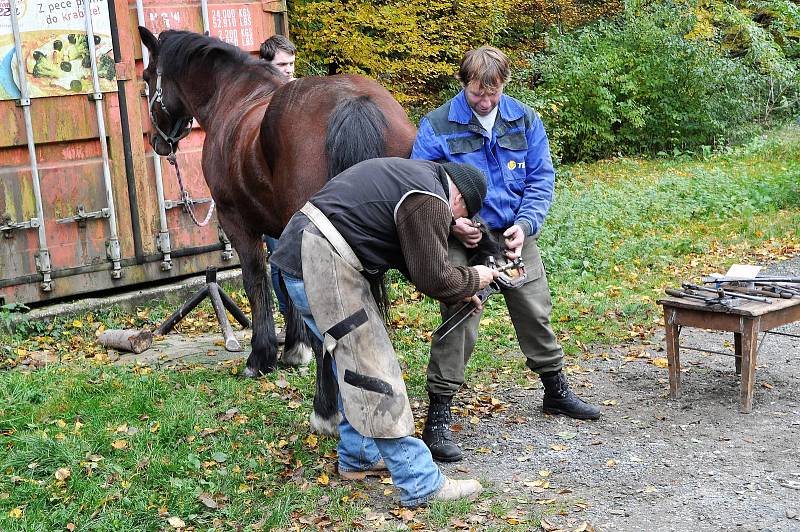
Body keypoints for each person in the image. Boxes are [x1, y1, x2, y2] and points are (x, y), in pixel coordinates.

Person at [270, 157, 497, 507]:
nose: (455, 224)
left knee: (349, 361)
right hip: (320, 262)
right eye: (460, 218)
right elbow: (434, 277)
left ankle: (359, 454)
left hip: (299, 258)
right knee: (372, 368)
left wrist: (462, 289)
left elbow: (416, 259)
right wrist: (477, 277)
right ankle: (420, 482)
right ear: (461, 202)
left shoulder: (414, 179)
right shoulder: (431, 198)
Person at [411, 46, 601, 463]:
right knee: (462, 313)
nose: (485, 101)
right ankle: (438, 415)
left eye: (492, 93)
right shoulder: (438, 125)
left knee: (535, 309)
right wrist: (448, 222)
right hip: (464, 236)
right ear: (463, 85)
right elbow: (422, 186)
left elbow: (541, 177)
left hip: (513, 233)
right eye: (478, 93)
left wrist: (526, 225)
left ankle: (556, 391)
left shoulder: (525, 120)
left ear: (504, 84)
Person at [259, 35, 297, 320]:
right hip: (270, 194)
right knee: (279, 259)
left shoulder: (299, 93)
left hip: (298, 192)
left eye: (291, 64)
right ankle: (288, 317)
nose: (288, 70)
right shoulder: (259, 101)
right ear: (267, 65)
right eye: (282, 64)